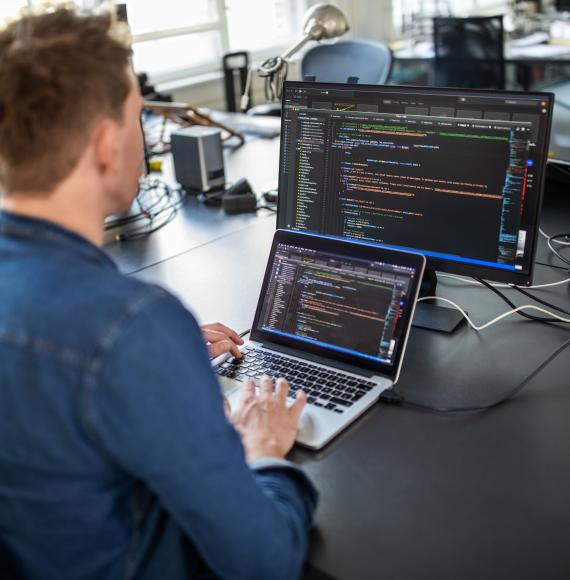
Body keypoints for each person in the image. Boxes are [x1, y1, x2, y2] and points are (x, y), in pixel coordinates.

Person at [0, 7, 317, 580]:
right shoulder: (131, 326)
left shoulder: (118, 334)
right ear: (104, 144)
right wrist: (265, 450)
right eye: (138, 117)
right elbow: (265, 561)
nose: (143, 133)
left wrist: (159, 364)